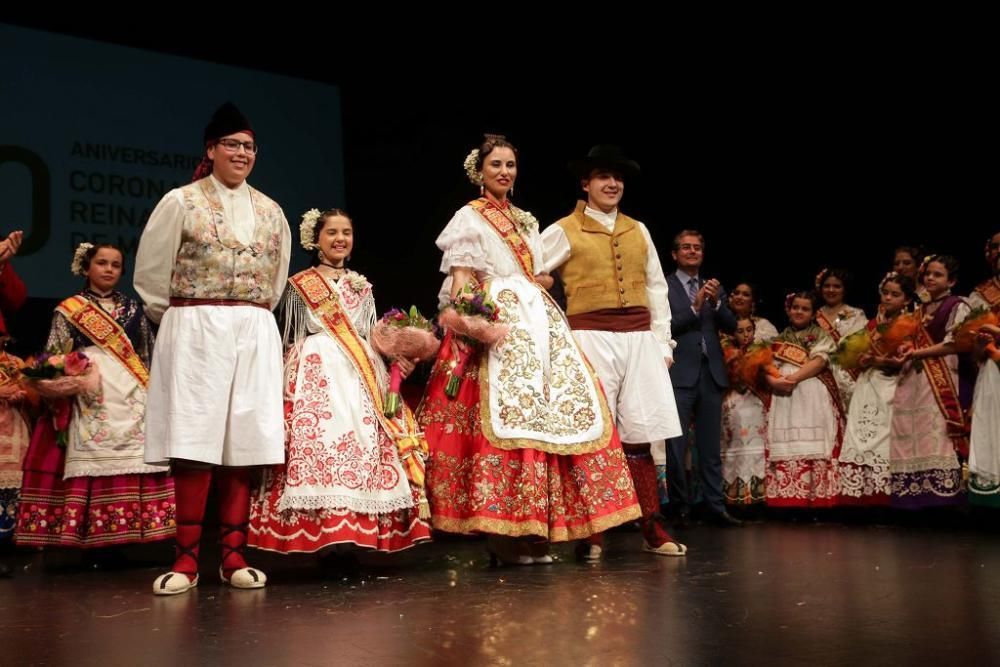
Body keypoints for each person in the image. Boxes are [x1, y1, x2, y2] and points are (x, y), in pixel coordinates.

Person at [417, 135, 646, 565]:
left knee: (549, 417)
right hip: (497, 322)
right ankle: (502, 536)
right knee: (502, 425)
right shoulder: (469, 217)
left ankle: (534, 528)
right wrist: (475, 323)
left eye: (510, 165)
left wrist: (531, 289)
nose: (504, 172)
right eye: (496, 165)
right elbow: (463, 279)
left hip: (537, 322)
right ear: (479, 172)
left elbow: (540, 275)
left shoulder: (525, 219)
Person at [135, 102, 291, 594]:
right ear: (211, 150)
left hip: (252, 325)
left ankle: (233, 557)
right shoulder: (181, 201)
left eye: (249, 146)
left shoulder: (272, 210)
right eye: (232, 145)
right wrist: (185, 321)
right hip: (196, 324)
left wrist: (248, 318)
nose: (242, 153)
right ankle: (185, 562)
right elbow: (151, 278)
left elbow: (277, 278)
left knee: (244, 441)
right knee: (194, 439)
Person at [248, 208, 432, 556]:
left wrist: (398, 356)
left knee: (363, 440)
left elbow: (370, 334)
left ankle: (357, 536)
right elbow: (291, 333)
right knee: (318, 440)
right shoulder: (300, 284)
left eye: (346, 232)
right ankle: (319, 534)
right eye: (331, 232)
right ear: (315, 240)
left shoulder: (362, 285)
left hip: (360, 371)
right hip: (314, 370)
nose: (340, 239)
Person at [540, 144, 684, 560]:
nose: (612, 184)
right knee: (594, 435)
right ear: (586, 183)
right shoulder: (563, 229)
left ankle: (651, 524)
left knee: (640, 435)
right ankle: (593, 529)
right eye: (603, 176)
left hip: (639, 338)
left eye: (618, 178)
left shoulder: (638, 230)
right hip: (590, 336)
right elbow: (533, 277)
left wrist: (662, 343)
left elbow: (656, 287)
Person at [16, 243, 175, 554]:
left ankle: (138, 540)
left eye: (115, 265)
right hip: (87, 390)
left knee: (137, 456)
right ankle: (89, 540)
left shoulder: (133, 309)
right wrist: (61, 381)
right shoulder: (69, 309)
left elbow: (147, 354)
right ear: (86, 268)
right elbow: (54, 353)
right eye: (102, 263)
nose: (108, 270)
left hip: (130, 393)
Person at [665, 230, 740, 526]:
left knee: (710, 447)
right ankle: (680, 506)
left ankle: (715, 506)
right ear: (674, 254)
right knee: (677, 445)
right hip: (680, 375)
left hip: (710, 375)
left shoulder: (714, 287)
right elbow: (665, 327)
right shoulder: (665, 287)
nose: (692, 251)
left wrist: (717, 303)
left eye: (697, 247)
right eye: (686, 247)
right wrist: (695, 307)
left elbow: (733, 325)